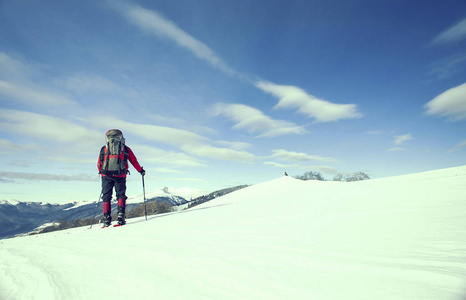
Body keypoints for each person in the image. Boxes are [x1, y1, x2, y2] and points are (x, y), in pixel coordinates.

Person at [97, 129, 145, 226]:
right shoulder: (126, 149)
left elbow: (99, 163)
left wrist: (102, 173)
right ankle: (121, 216)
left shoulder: (104, 149)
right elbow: (133, 161)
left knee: (106, 196)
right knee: (121, 195)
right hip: (120, 175)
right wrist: (141, 171)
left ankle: (106, 219)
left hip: (106, 175)